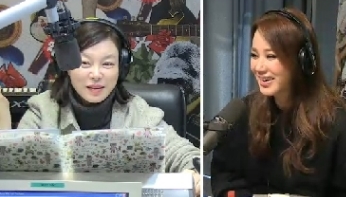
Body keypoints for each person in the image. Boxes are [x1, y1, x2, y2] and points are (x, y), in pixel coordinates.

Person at [0, 19, 201, 195]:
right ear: (65, 66)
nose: (96, 74)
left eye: (107, 64)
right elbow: (13, 171)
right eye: (84, 63)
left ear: (121, 67)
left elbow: (182, 153)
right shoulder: (42, 110)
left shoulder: (138, 112)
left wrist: (193, 173)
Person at [210, 8, 346, 197]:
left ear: (302, 61)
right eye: (254, 55)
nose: (259, 67)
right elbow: (224, 176)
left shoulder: (336, 127)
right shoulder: (245, 112)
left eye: (271, 56)